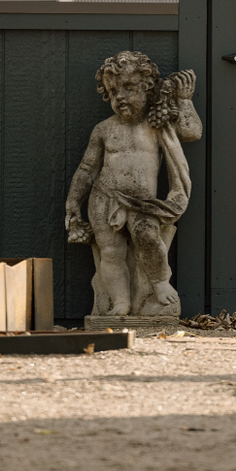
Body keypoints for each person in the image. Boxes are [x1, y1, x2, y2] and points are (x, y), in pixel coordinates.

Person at [64, 51, 200, 317]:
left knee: (148, 238)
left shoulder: (156, 124)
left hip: (142, 203)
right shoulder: (104, 129)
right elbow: (86, 169)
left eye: (128, 88)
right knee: (111, 253)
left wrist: (184, 101)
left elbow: (191, 132)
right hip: (103, 198)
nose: (120, 97)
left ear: (147, 88)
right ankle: (120, 302)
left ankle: (160, 283)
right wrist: (73, 200)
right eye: (113, 92)